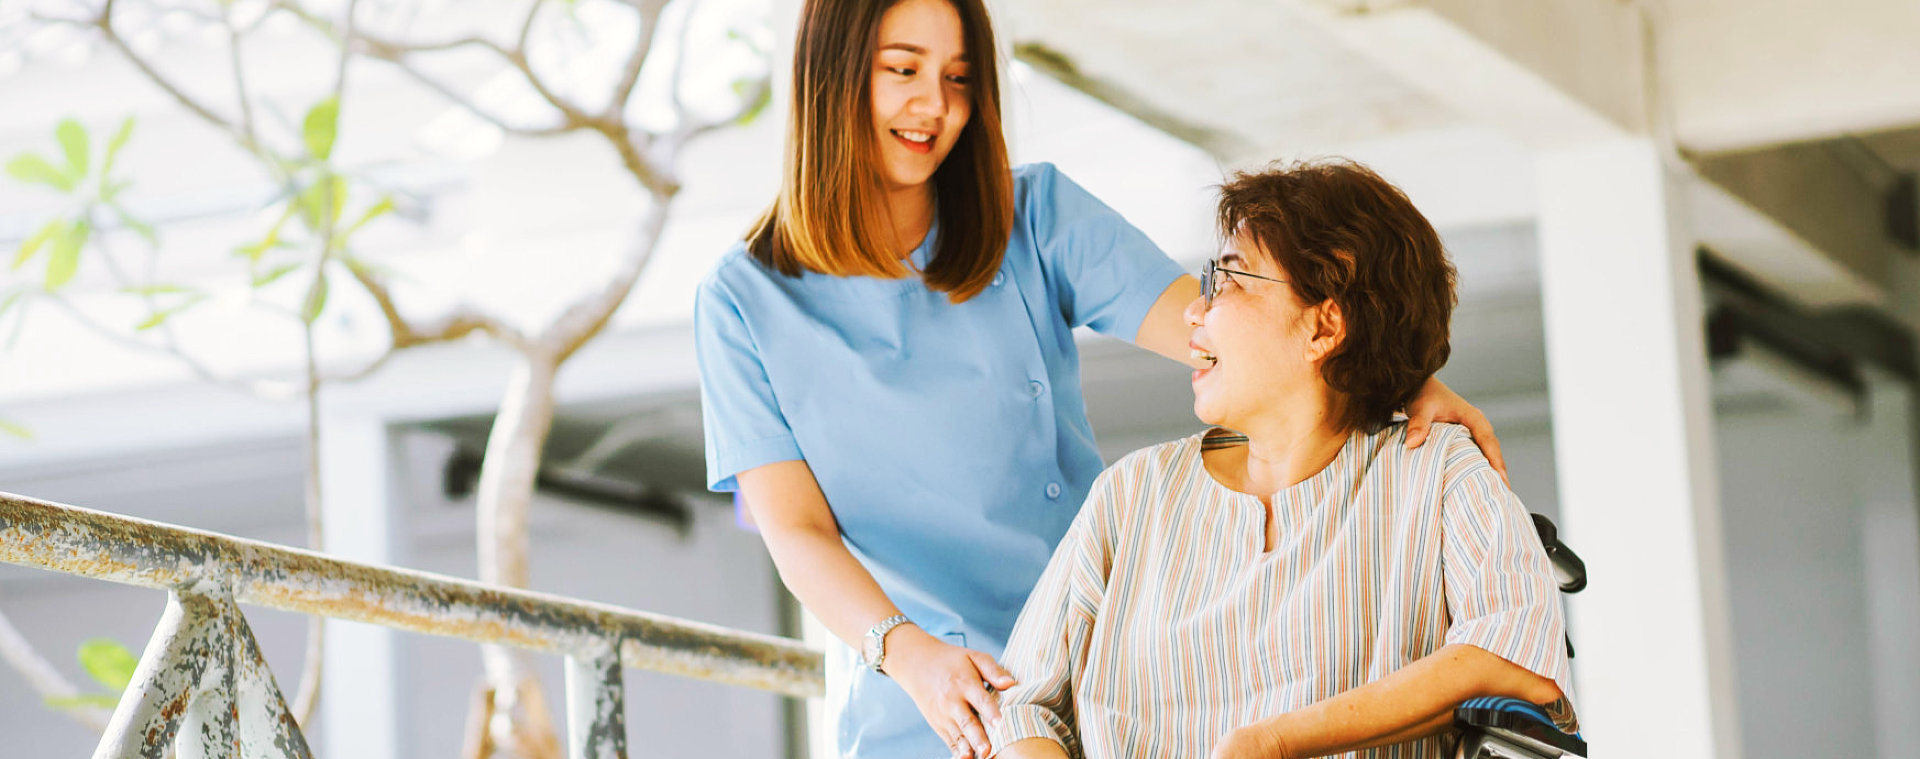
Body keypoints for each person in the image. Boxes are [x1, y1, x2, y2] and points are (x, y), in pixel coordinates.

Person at [693, 1, 1508, 757]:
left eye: (959, 78)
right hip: (929, 699)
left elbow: (1228, 332)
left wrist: (1389, 375)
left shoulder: (1035, 215)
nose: (934, 107)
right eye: (902, 70)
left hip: (1101, 671)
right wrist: (908, 655)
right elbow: (795, 530)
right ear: (827, 73)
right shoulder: (741, 302)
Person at [986, 160, 1576, 759]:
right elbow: (1021, 705)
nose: (1194, 311)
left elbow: (1516, 658)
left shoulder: (1439, 470)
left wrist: (1273, 742)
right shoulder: (1132, 493)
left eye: (1230, 281)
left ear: (1324, 326)